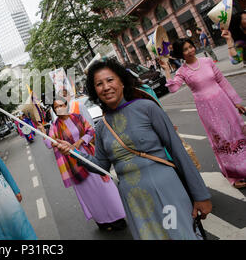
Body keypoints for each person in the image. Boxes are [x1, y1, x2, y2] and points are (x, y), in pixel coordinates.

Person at [54, 59, 212, 240]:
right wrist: (73, 152)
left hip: (168, 193)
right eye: (99, 84)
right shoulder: (102, 127)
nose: (106, 87)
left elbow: (178, 151)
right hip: (135, 202)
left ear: (121, 81)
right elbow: (100, 165)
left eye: (110, 80)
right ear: (95, 91)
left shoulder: (147, 108)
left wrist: (201, 195)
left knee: (179, 234)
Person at [161, 38, 246, 189]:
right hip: (207, 109)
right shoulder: (182, 71)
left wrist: (235, 101)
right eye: (185, 50)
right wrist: (167, 71)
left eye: (190, 47)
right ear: (181, 54)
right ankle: (234, 175)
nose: (189, 51)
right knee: (223, 140)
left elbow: (222, 81)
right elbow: (173, 89)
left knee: (237, 133)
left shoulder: (207, 61)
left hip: (224, 102)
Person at [37, 98, 127, 232]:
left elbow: (91, 131)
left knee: (106, 189)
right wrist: (44, 134)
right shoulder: (55, 126)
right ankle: (102, 221)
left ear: (66, 105)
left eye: (61, 105)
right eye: (56, 107)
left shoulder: (78, 117)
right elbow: (50, 144)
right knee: (90, 194)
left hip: (91, 158)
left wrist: (79, 142)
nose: (59, 108)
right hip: (75, 166)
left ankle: (118, 217)